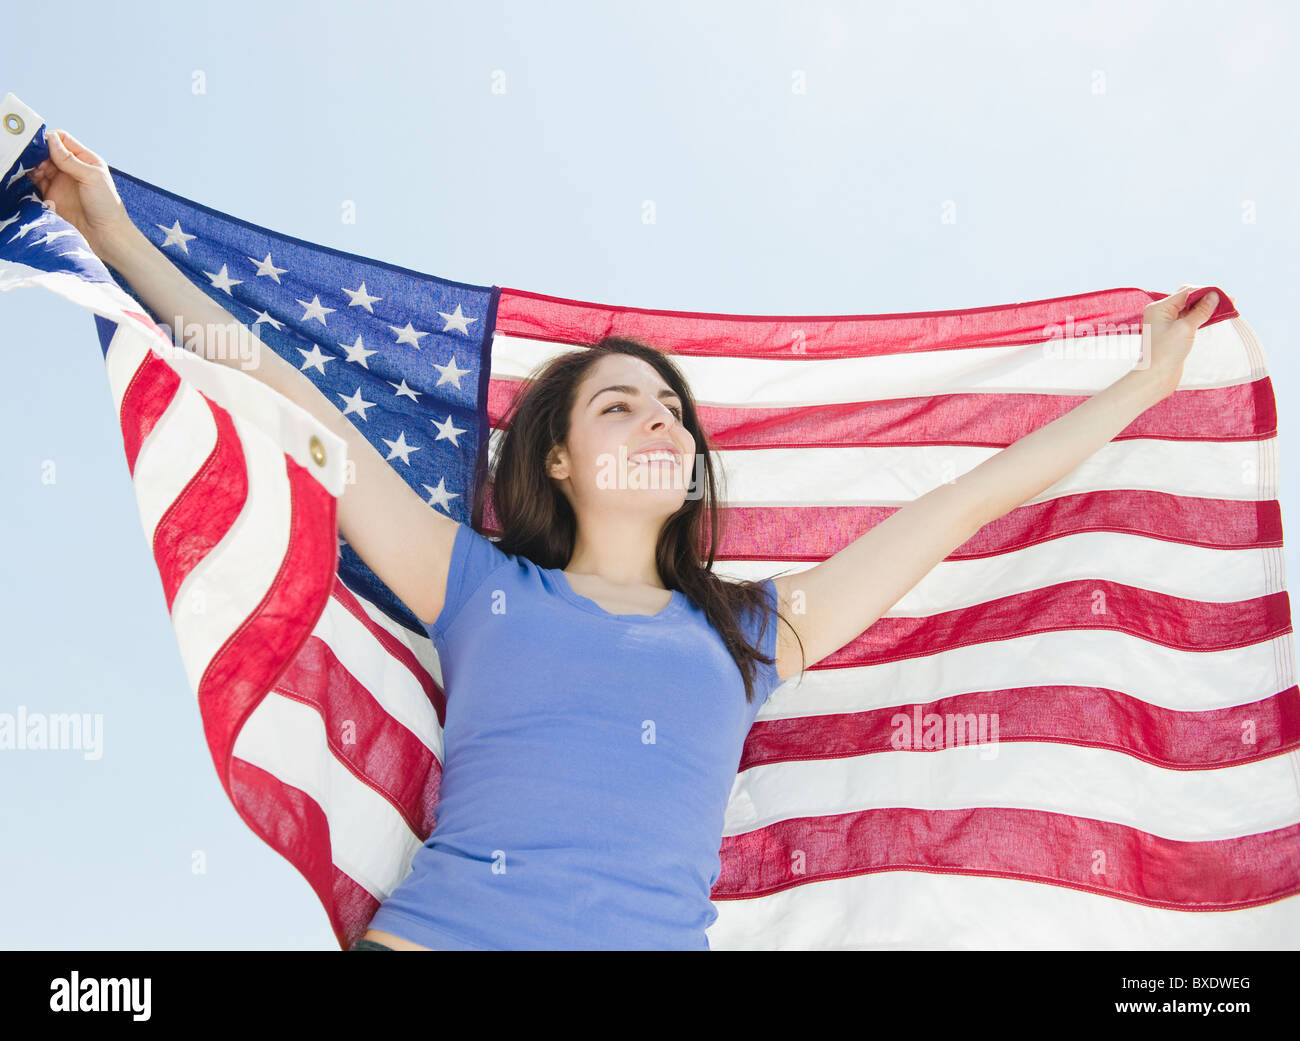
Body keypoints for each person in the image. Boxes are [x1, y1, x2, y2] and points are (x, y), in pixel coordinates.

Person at [28, 127, 1221, 951]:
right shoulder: (476, 584)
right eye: (619, 405)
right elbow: (303, 416)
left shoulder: (753, 631)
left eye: (671, 410)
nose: (658, 418)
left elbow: (967, 502)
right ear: (557, 459)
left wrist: (1141, 385)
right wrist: (119, 241)